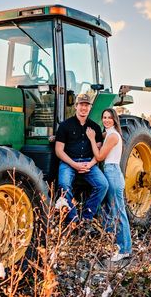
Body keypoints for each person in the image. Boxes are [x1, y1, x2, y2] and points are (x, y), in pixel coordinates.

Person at [55, 93, 109, 226]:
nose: (84, 108)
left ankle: (87, 218)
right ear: (76, 106)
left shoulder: (95, 127)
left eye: (87, 105)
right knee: (64, 184)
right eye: (81, 105)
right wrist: (74, 164)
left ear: (90, 107)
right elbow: (59, 150)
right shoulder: (65, 126)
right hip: (69, 162)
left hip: (88, 162)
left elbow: (99, 152)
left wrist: (89, 165)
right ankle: (73, 220)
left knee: (103, 185)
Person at [86, 108, 132, 262]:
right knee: (111, 210)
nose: (106, 120)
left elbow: (99, 156)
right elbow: (100, 138)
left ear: (114, 120)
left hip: (112, 173)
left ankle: (125, 249)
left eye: (109, 118)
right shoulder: (108, 134)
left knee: (118, 212)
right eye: (104, 117)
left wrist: (92, 139)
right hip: (109, 172)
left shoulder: (112, 136)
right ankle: (120, 245)